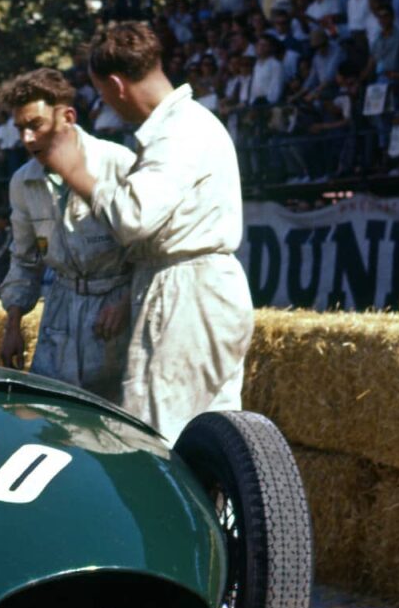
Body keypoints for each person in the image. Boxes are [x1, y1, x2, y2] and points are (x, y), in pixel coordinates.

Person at [46, 23, 253, 440]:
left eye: (102, 92)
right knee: (209, 436)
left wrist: (77, 174)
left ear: (117, 85)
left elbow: (133, 217)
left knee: (159, 436)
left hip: (187, 292)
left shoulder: (178, 133)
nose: (105, 103)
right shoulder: (188, 125)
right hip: (191, 284)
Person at [0, 69, 136, 402]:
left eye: (36, 125)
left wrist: (126, 302)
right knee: (50, 410)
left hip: (115, 313)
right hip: (60, 308)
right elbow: (24, 258)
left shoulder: (118, 164)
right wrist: (13, 325)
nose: (27, 139)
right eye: (20, 129)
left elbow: (152, 249)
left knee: (114, 418)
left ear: (68, 117)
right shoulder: (23, 181)